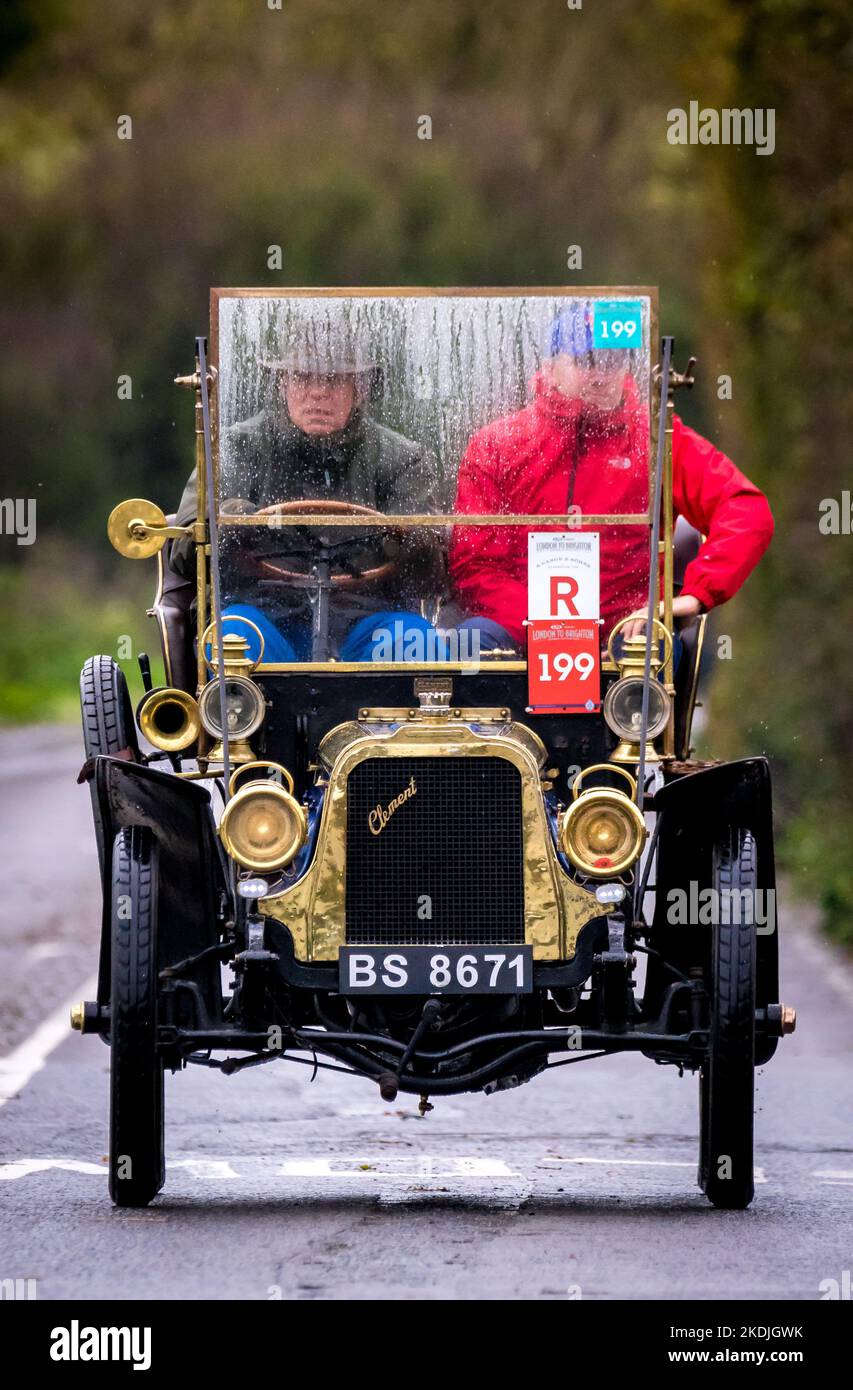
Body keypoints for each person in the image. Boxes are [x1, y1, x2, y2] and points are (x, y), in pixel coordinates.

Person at [449, 303, 774, 655]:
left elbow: (744, 508)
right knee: (471, 646)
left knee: (650, 654)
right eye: (585, 361)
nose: (600, 374)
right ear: (550, 366)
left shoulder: (658, 440)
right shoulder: (496, 445)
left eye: (612, 361)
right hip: (517, 631)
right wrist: (548, 632)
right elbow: (475, 562)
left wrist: (695, 595)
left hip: (627, 630)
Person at [172, 333, 444, 662]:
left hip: (369, 622)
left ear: (360, 390)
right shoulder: (235, 447)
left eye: (334, 380)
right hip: (264, 616)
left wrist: (402, 538)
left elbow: (432, 574)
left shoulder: (403, 458)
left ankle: (393, 716)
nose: (318, 392)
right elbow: (186, 550)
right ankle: (244, 714)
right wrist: (240, 520)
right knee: (234, 638)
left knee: (416, 640)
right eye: (303, 378)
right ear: (281, 385)